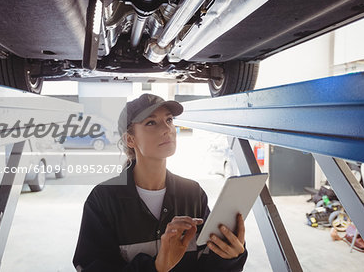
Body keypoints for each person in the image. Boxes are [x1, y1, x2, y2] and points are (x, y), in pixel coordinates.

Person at [73, 93, 247, 271]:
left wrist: (230, 257)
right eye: (151, 122)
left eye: (169, 120)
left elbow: (208, 265)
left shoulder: (192, 193)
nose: (167, 129)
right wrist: (156, 267)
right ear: (130, 139)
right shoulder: (103, 199)